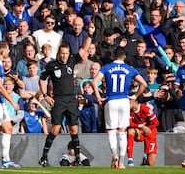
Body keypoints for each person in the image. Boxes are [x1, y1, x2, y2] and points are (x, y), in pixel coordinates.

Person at [38, 34, 92, 167]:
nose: (64, 56)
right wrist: (45, 94)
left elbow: (84, 49)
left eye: (66, 53)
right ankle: (44, 157)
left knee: (74, 129)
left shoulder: (72, 61)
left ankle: (78, 159)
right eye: (62, 53)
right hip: (59, 100)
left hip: (71, 100)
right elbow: (42, 79)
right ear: (58, 53)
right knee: (55, 129)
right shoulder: (52, 65)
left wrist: (90, 35)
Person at [92, 47, 148, 169]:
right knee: (122, 132)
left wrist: (99, 97)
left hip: (111, 100)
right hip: (124, 101)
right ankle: (122, 162)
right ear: (124, 56)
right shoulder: (129, 69)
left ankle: (114, 154)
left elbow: (94, 82)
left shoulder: (107, 67)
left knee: (111, 131)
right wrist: (135, 96)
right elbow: (144, 84)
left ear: (113, 55)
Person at [127, 93, 159, 166]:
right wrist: (141, 126)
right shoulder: (128, 111)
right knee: (130, 131)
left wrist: (146, 128)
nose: (128, 102)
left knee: (151, 163)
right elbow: (129, 124)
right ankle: (130, 160)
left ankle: (145, 160)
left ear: (136, 101)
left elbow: (156, 123)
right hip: (138, 132)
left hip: (150, 133)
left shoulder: (145, 109)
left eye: (130, 100)